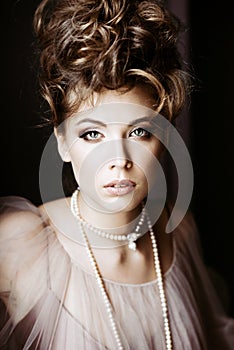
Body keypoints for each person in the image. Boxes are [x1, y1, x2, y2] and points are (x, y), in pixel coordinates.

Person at [0, 0, 233, 349]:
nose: (119, 159)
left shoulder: (179, 231)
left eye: (139, 132)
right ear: (62, 142)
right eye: (92, 134)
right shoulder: (21, 246)